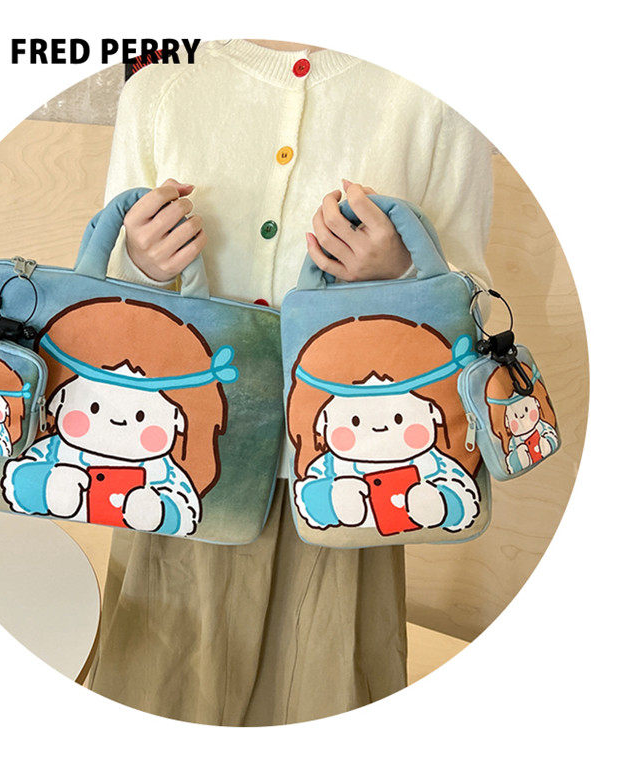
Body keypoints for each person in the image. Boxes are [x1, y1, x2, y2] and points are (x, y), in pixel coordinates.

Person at [89, 39, 493, 726]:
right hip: (175, 466)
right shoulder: (160, 77)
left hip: (357, 469)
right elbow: (105, 291)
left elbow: (473, 304)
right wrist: (141, 263)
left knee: (326, 694)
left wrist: (399, 274)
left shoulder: (435, 90)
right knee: (155, 691)